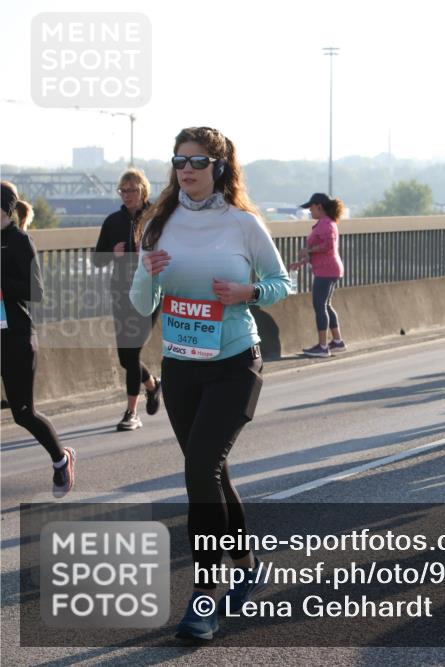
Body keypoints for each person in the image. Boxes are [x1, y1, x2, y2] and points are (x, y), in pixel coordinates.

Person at [130, 127, 292, 640]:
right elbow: (140, 304)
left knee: (200, 467)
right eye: (179, 161)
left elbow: (281, 283)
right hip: (181, 366)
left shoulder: (243, 224)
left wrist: (248, 290)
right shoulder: (160, 223)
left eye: (198, 162)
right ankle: (246, 564)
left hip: (235, 363)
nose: (186, 170)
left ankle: (205, 595)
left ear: (219, 168)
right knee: (211, 471)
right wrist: (148, 274)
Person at [1, 181, 76, 497]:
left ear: (6, 210)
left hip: (15, 338)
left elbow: (37, 292)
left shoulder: (20, 242)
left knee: (23, 413)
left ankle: (61, 460)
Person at [93, 168, 161, 431]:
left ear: (143, 190)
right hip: (121, 293)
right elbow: (97, 260)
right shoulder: (112, 222)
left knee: (132, 352)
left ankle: (131, 413)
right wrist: (113, 254)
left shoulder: (157, 217)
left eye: (132, 190)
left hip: (149, 293)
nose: (127, 195)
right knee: (125, 358)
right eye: (123, 190)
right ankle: (153, 385)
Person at [291, 192, 347, 357]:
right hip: (330, 268)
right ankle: (337, 342)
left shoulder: (325, 224)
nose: (309, 211)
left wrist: (308, 249)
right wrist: (300, 263)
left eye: (311, 207)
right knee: (326, 305)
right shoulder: (327, 223)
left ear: (319, 206)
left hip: (326, 270)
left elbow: (327, 245)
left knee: (319, 306)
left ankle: (322, 347)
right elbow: (320, 250)